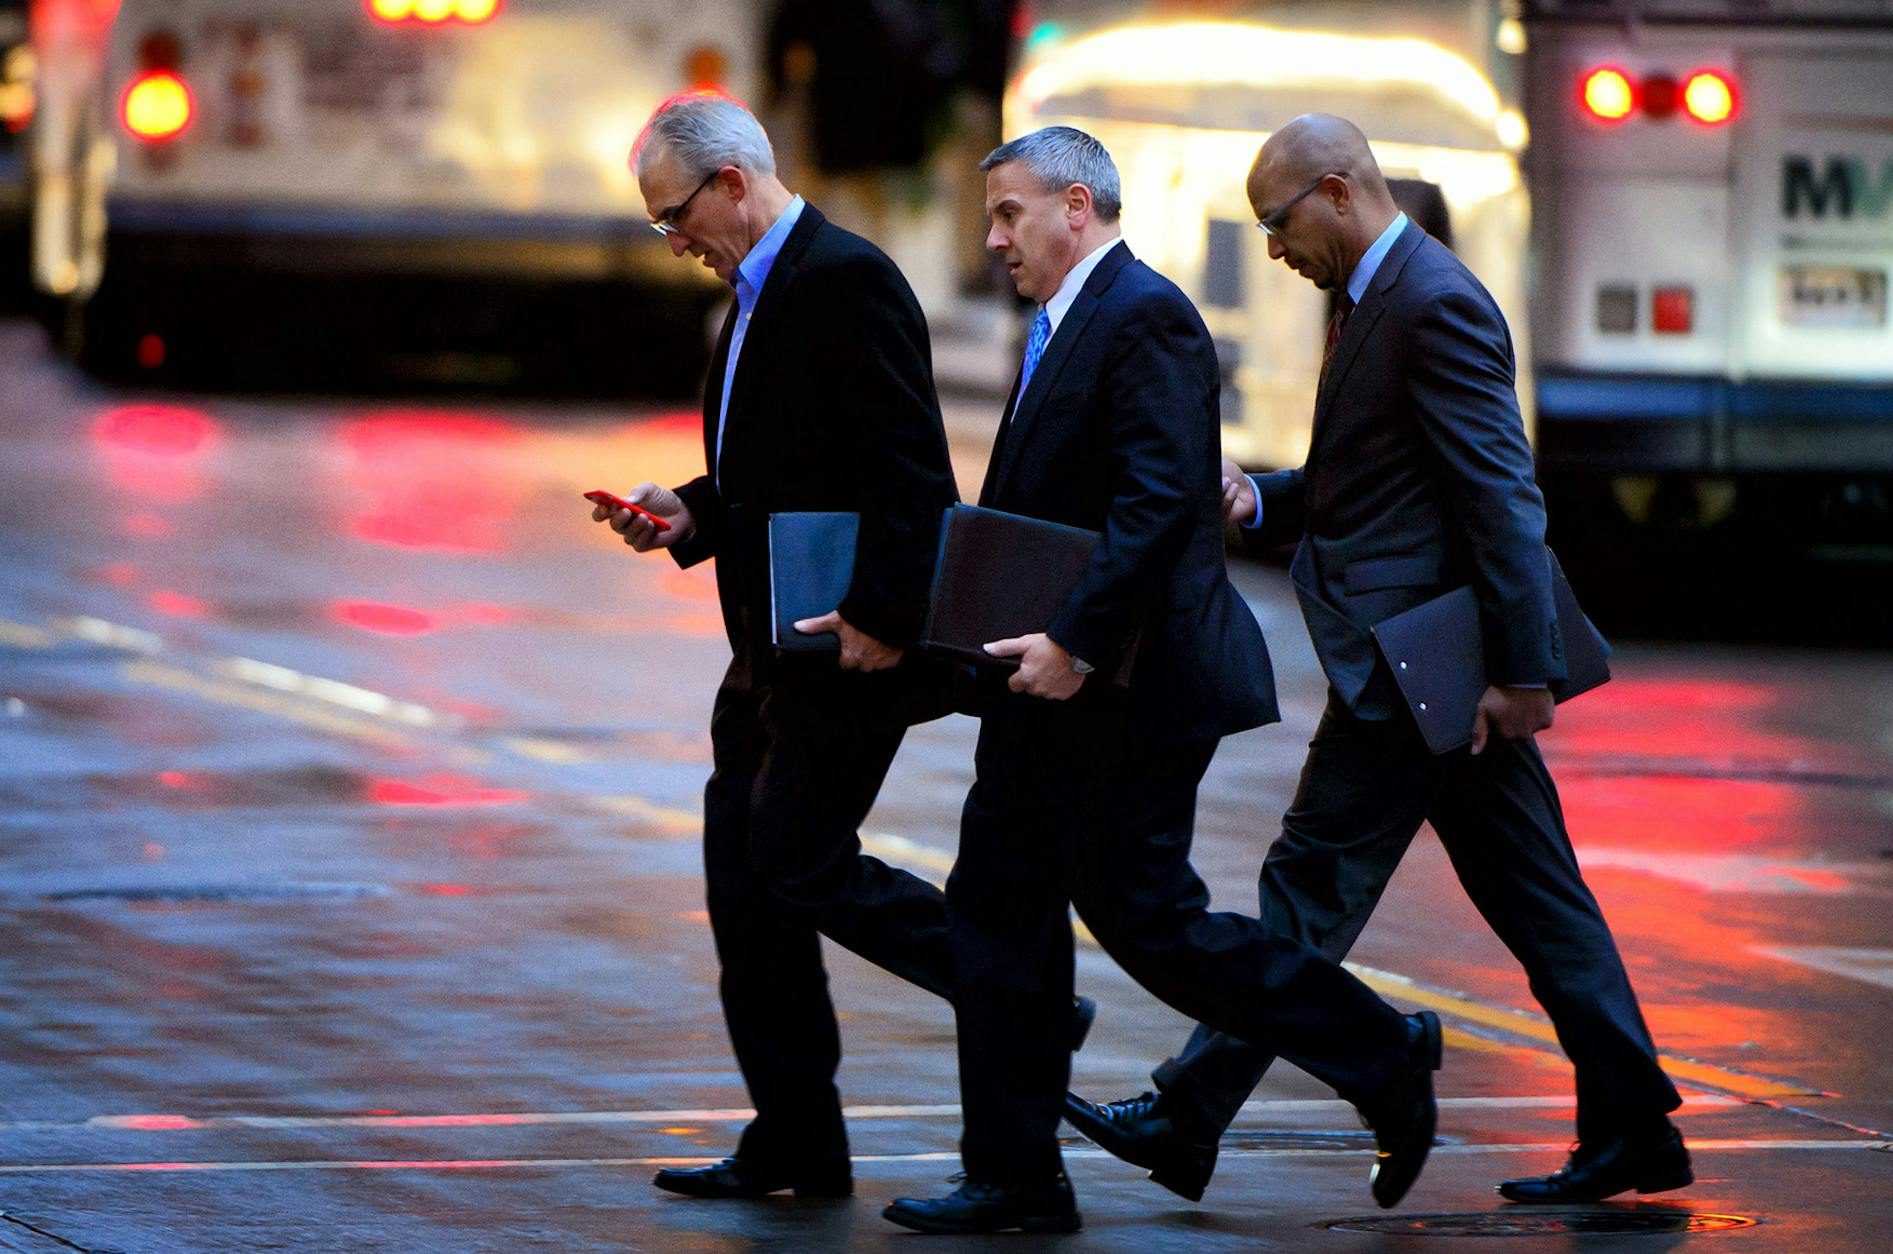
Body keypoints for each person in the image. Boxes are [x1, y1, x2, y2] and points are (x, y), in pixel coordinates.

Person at [1063, 114, 1691, 1206]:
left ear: (1340, 191)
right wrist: (1269, 496)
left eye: (1279, 220)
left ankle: (1194, 1110)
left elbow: (1501, 497)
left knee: (1308, 888)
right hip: (1430, 669)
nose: (1271, 250)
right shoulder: (1369, 299)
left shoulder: (1433, 302)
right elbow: (1374, 483)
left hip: (1423, 674)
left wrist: (1527, 674)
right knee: (1540, 903)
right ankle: (1634, 1124)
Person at [880, 126, 1443, 1236]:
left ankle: (1382, 1049)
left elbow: (1157, 507)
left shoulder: (1147, 320)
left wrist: (1075, 642)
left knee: (1154, 924)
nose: (994, 239)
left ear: (1078, 206)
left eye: (1008, 214)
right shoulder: (1060, 322)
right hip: (1045, 685)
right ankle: (1014, 1173)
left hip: (1127, 688)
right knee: (996, 906)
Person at [591, 92, 1091, 1204]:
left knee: (793, 859)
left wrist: (879, 613)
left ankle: (1020, 988)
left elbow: (909, 474)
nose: (675, 245)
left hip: (845, 647)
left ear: (733, 183)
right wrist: (686, 513)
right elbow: (780, 470)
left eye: (676, 218)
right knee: (747, 895)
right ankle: (798, 1141)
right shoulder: (754, 295)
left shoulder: (845, 278)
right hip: (768, 651)